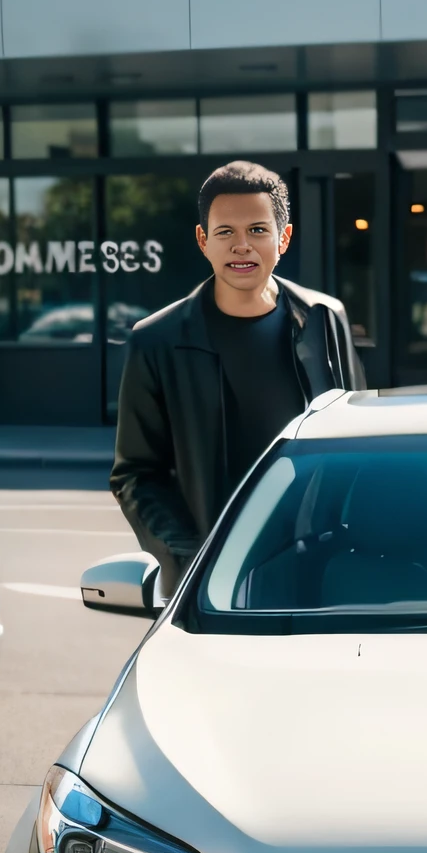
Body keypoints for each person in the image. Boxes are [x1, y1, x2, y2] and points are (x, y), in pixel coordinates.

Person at [112, 160, 363, 591]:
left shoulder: (324, 320)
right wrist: (194, 558)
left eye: (258, 231)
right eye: (225, 232)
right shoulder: (156, 341)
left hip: (321, 571)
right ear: (203, 241)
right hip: (209, 586)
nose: (241, 246)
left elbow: (361, 440)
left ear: (283, 238)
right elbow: (136, 475)